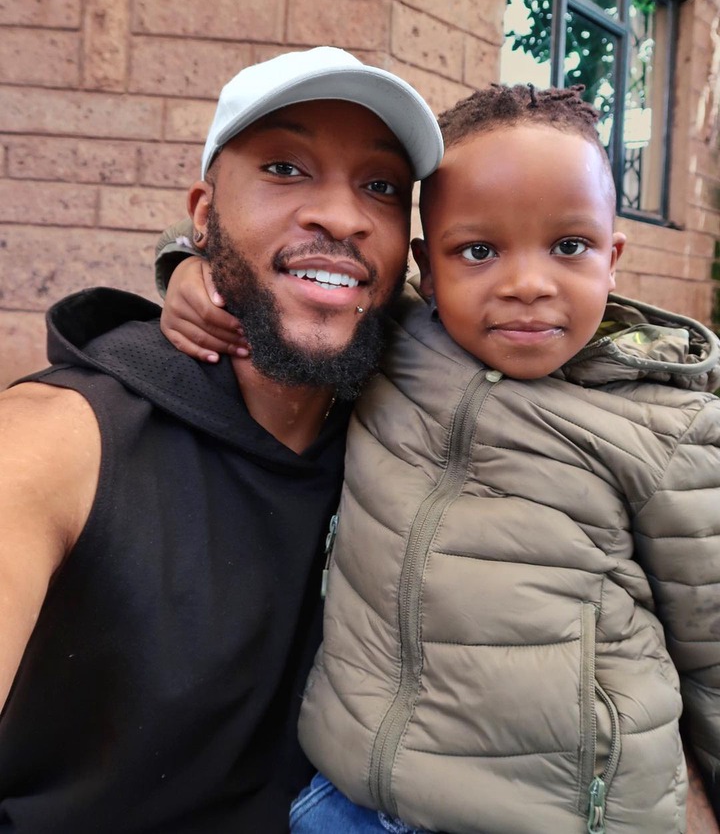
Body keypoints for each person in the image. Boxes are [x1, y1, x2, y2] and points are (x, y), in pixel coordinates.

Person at [160, 84, 720, 833]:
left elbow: (711, 645)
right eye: (479, 251)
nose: (527, 285)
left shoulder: (668, 424)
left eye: (569, 246)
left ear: (612, 257)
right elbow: (276, 268)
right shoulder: (396, 344)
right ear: (427, 266)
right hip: (348, 799)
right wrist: (187, 270)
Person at [0, 46, 443, 833]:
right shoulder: (60, 441)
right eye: (285, 168)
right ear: (202, 216)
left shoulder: (415, 439)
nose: (342, 215)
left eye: (380, 187)